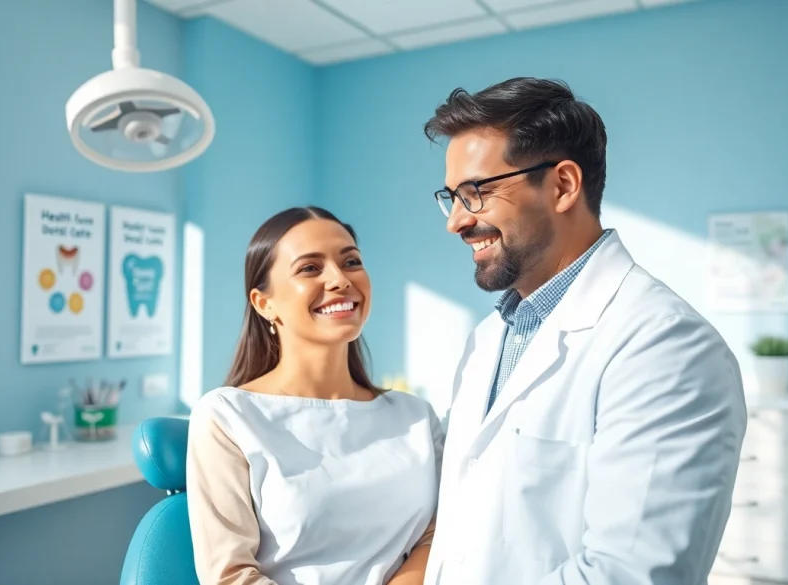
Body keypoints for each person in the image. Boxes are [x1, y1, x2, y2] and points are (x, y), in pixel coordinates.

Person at [421, 77, 748, 585]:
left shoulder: (666, 346)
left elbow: (634, 572)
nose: (456, 222)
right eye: (452, 197)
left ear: (563, 185)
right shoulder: (488, 339)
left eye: (477, 193)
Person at [185, 206, 442, 585]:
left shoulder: (416, 417)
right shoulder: (228, 417)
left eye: (351, 261)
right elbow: (231, 576)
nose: (340, 279)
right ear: (263, 303)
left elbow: (440, 535)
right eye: (310, 268)